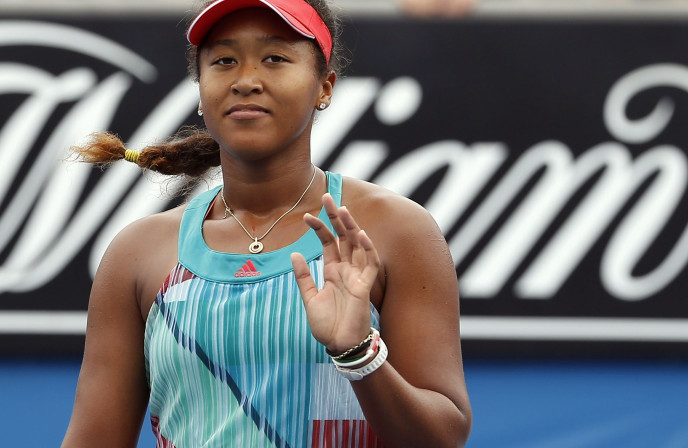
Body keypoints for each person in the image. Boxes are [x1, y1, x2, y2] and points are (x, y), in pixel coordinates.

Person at [61, 0, 471, 446]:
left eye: (274, 58)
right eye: (224, 60)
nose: (246, 80)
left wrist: (358, 355)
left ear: (324, 87)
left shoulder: (396, 229)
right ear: (200, 91)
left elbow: (443, 438)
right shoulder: (137, 253)